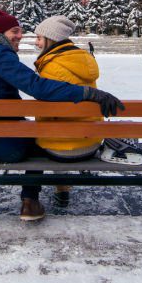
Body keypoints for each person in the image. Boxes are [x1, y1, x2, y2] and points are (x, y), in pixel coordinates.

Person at [0, 10, 124, 222]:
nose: (20, 36)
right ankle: (30, 201)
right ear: (1, 34)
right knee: (38, 138)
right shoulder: (1, 56)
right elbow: (37, 87)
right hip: (5, 145)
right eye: (15, 31)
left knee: (4, 129)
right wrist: (87, 93)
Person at [33, 15, 102, 209]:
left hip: (58, 150)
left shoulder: (49, 67)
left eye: (39, 38)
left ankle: (55, 190)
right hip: (90, 143)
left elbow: (44, 115)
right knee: (65, 130)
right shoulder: (85, 61)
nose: (36, 43)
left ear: (51, 39)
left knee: (51, 133)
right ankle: (64, 187)